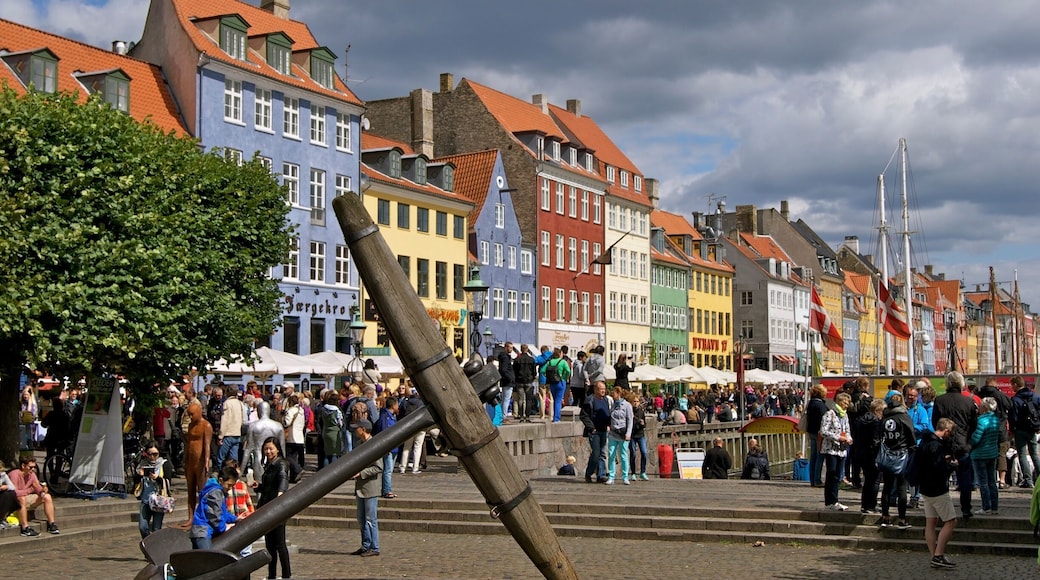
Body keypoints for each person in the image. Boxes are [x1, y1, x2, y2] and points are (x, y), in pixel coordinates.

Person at [932, 371, 978, 519]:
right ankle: (966, 508)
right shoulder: (969, 402)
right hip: (963, 443)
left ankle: (942, 509)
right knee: (965, 479)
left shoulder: (940, 400)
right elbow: (973, 425)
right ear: (961, 383)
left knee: (941, 478)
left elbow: (935, 423)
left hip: (944, 444)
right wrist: (967, 439)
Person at [919, 417, 960, 569]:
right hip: (937, 488)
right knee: (951, 521)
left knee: (931, 522)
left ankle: (933, 556)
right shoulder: (936, 445)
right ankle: (938, 554)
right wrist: (951, 466)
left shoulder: (924, 441)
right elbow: (937, 468)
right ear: (947, 431)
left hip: (924, 487)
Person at [878, 393, 915, 529]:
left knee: (887, 487)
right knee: (901, 488)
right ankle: (902, 518)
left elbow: (879, 436)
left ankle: (885, 516)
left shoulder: (884, 418)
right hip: (902, 454)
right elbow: (911, 436)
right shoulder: (904, 417)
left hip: (887, 455)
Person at [255, 437, 291, 578]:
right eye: (266, 449)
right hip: (267, 507)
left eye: (271, 448)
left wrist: (280, 496)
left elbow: (283, 480)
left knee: (279, 544)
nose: (268, 451)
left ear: (277, 449)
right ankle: (272, 575)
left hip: (276, 508)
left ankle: (286, 575)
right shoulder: (270, 465)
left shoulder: (281, 464)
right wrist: (259, 487)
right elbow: (268, 487)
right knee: (270, 544)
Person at [350, 419, 383, 557]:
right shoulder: (359, 444)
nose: (354, 430)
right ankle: (365, 545)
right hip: (360, 487)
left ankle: (374, 547)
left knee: (370, 519)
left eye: (356, 428)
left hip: (370, 487)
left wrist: (361, 473)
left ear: (363, 429)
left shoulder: (374, 445)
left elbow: (378, 467)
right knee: (361, 519)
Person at [188, 466, 238, 550]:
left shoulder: (218, 492)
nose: (230, 488)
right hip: (203, 531)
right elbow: (215, 515)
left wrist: (235, 519)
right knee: (209, 559)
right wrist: (224, 528)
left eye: (232, 486)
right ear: (221, 480)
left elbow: (222, 512)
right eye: (229, 485)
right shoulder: (215, 492)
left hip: (202, 531)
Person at [9, 456, 59, 536]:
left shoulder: (32, 474)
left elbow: (37, 488)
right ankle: (25, 528)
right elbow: (13, 493)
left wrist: (43, 490)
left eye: (34, 467)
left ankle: (51, 524)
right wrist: (30, 490)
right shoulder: (14, 474)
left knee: (47, 497)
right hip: (12, 501)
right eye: (30, 467)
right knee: (21, 498)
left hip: (25, 498)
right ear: (23, 466)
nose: (33, 469)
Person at [821, 392, 853, 511]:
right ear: (839, 402)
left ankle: (834, 500)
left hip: (842, 450)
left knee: (838, 476)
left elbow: (847, 430)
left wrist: (849, 439)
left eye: (848, 403)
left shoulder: (845, 416)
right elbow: (823, 431)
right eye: (845, 403)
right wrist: (837, 437)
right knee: (831, 474)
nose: (846, 405)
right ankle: (830, 501)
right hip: (831, 449)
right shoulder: (830, 414)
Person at [970, 397, 1001, 515]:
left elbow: (976, 439)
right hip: (992, 453)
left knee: (983, 482)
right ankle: (994, 506)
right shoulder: (995, 420)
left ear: (985, 407)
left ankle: (986, 506)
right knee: (992, 481)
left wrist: (969, 444)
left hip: (980, 454)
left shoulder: (981, 421)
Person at [1009, 375, 1040, 489]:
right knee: (1034, 454)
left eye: (1012, 385)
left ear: (1016, 385)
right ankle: (1039, 477)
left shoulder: (1016, 399)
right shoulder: (1035, 397)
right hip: (1033, 429)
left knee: (1022, 454)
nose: (1012, 387)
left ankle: (1028, 480)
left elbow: (1014, 417)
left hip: (1020, 430)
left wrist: (1012, 430)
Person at [184, 400, 213, 522]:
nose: (190, 417)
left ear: (199, 412)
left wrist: (206, 461)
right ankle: (190, 518)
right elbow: (188, 443)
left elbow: (207, 445)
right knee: (190, 490)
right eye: (189, 414)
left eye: (192, 414)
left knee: (201, 491)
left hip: (200, 463)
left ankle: (201, 517)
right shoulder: (191, 425)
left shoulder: (206, 426)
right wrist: (185, 460)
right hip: (190, 462)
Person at [136, 444, 173, 538]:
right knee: (143, 527)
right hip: (145, 500)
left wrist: (157, 478)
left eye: (155, 454)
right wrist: (140, 475)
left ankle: (155, 548)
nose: (152, 457)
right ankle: (148, 543)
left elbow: (168, 481)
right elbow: (135, 483)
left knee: (157, 529)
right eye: (150, 454)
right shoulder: (142, 464)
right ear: (146, 454)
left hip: (159, 500)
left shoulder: (164, 464)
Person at [579, 380, 611, 483]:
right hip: (594, 431)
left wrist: (609, 424)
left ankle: (600, 475)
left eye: (604, 389)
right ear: (596, 389)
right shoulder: (590, 400)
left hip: (603, 429)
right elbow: (583, 416)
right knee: (596, 453)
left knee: (602, 453)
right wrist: (591, 428)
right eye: (601, 389)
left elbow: (607, 414)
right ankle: (589, 473)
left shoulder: (605, 399)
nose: (603, 391)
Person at [858, 398, 885, 514]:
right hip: (872, 454)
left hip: (862, 453)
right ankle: (871, 505)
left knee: (867, 480)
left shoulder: (861, 420)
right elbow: (875, 440)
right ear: (878, 410)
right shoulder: (876, 422)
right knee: (874, 481)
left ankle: (865, 505)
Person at [605, 386, 634, 485]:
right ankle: (611, 476)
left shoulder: (627, 405)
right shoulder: (613, 405)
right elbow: (610, 417)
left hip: (623, 434)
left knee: (623, 455)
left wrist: (628, 433)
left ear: (619, 393)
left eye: (614, 393)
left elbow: (630, 420)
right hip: (613, 433)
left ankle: (625, 476)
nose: (613, 395)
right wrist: (609, 425)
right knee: (611, 454)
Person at [397, 386, 426, 474]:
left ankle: (402, 467)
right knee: (418, 447)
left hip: (408, 427)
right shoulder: (422, 402)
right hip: (420, 427)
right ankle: (415, 468)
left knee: (406, 447)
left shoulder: (405, 402)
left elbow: (400, 414)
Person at [374, 397, 399, 499]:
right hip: (389, 447)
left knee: (390, 470)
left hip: (394, 447)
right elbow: (384, 432)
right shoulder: (385, 417)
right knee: (387, 470)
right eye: (397, 404)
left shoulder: (392, 416)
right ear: (393, 405)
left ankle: (387, 489)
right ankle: (387, 490)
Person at [805, 384, 829, 487]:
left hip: (811, 431)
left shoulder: (811, 403)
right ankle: (817, 479)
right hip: (819, 433)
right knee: (820, 456)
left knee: (813, 455)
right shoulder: (820, 405)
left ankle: (813, 479)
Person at [541, 348, 571, 423]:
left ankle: (555, 417)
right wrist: (565, 377)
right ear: (560, 354)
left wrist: (548, 376)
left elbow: (542, 371)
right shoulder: (563, 362)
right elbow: (568, 371)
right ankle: (556, 418)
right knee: (558, 400)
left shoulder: (550, 362)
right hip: (561, 382)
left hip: (552, 383)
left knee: (555, 400)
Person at [216, 388, 244, 468]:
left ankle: (219, 474)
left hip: (228, 434)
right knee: (234, 460)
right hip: (237, 433)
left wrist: (220, 436)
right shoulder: (240, 403)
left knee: (220, 458)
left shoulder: (227, 403)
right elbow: (243, 419)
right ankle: (234, 476)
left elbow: (225, 420)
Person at [512, 345, 538, 422]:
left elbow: (514, 371)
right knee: (528, 399)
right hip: (529, 381)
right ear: (527, 350)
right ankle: (527, 416)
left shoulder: (517, 360)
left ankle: (521, 416)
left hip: (519, 381)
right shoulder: (531, 360)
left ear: (521, 350)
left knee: (520, 399)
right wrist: (532, 378)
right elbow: (534, 371)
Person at [282, 394, 307, 473]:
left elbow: (287, 423)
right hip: (300, 436)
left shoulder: (291, 411)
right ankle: (294, 474)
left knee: (288, 456)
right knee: (296, 456)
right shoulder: (301, 410)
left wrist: (283, 418)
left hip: (291, 436)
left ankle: (298, 469)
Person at [628, 390, 649, 481]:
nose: (636, 403)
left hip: (640, 434)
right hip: (632, 435)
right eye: (634, 402)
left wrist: (643, 423)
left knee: (644, 453)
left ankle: (643, 472)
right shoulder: (629, 412)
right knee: (632, 453)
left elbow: (645, 425)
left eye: (637, 401)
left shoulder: (641, 412)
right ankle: (633, 473)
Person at [496, 342, 516, 420]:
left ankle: (501, 415)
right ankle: (504, 416)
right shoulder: (505, 357)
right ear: (506, 347)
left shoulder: (504, 357)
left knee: (504, 399)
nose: (511, 349)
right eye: (510, 348)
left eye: (512, 348)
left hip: (505, 381)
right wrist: (510, 378)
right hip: (507, 381)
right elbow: (504, 370)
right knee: (506, 400)